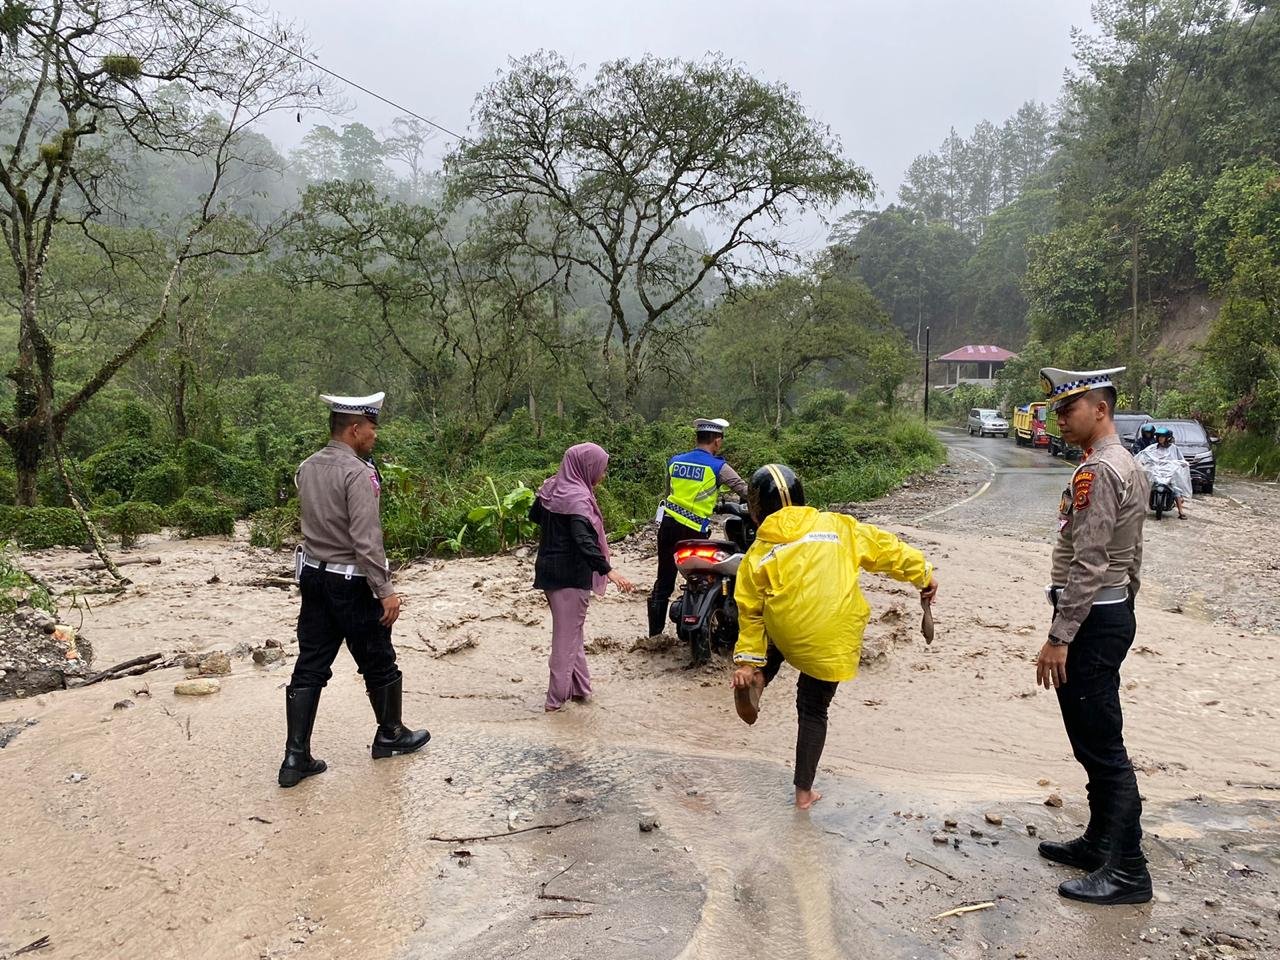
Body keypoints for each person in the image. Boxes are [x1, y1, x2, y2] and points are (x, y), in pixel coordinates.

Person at [729, 464, 937, 810]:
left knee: (776, 618)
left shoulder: (757, 554)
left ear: (755, 511)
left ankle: (760, 674)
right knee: (813, 709)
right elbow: (888, 551)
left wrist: (746, 661)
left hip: (788, 632)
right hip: (835, 635)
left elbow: (749, 612)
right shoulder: (839, 526)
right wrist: (924, 575)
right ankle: (804, 794)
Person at [1035, 367, 1151, 904]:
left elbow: (1090, 561)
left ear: (1100, 410)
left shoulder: (1100, 470)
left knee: (1101, 747)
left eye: (1068, 409)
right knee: (1093, 739)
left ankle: (1128, 870)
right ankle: (1101, 842)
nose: (1059, 418)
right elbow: (1133, 555)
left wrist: (1060, 635)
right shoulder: (1127, 463)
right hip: (1108, 613)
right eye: (1058, 410)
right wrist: (1125, 606)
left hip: (1090, 621)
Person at [278, 391, 430, 788]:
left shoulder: (307, 467)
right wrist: (385, 589)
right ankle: (391, 735)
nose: (375, 435)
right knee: (378, 658)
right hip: (351, 581)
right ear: (355, 429)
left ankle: (295, 756)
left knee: (310, 664)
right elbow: (366, 539)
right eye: (372, 428)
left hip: (314, 577)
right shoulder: (357, 473)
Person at [530, 442, 635, 712]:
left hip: (548, 570)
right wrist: (608, 570)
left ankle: (581, 690)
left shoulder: (552, 488)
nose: (603, 475)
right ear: (586, 467)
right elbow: (583, 540)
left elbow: (535, 515)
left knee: (572, 633)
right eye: (601, 469)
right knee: (565, 641)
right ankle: (555, 703)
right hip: (570, 576)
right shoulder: (577, 498)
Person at [646, 418, 750, 637]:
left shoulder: (675, 462)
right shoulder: (718, 466)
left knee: (663, 581)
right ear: (717, 441)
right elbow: (745, 490)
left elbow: (669, 493)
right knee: (701, 579)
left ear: (697, 438)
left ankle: (654, 636)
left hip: (668, 526)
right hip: (694, 531)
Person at [1135, 426, 1191, 519]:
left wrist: (1183, 464)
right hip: (1155, 471)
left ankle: (1181, 511)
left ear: (1167, 438)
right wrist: (1141, 461)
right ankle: (1143, 508)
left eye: (1162, 437)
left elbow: (1181, 459)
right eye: (1159, 436)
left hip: (1169, 472)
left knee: (1175, 488)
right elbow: (1144, 454)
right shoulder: (1152, 447)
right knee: (1146, 485)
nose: (1160, 438)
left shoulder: (1174, 448)